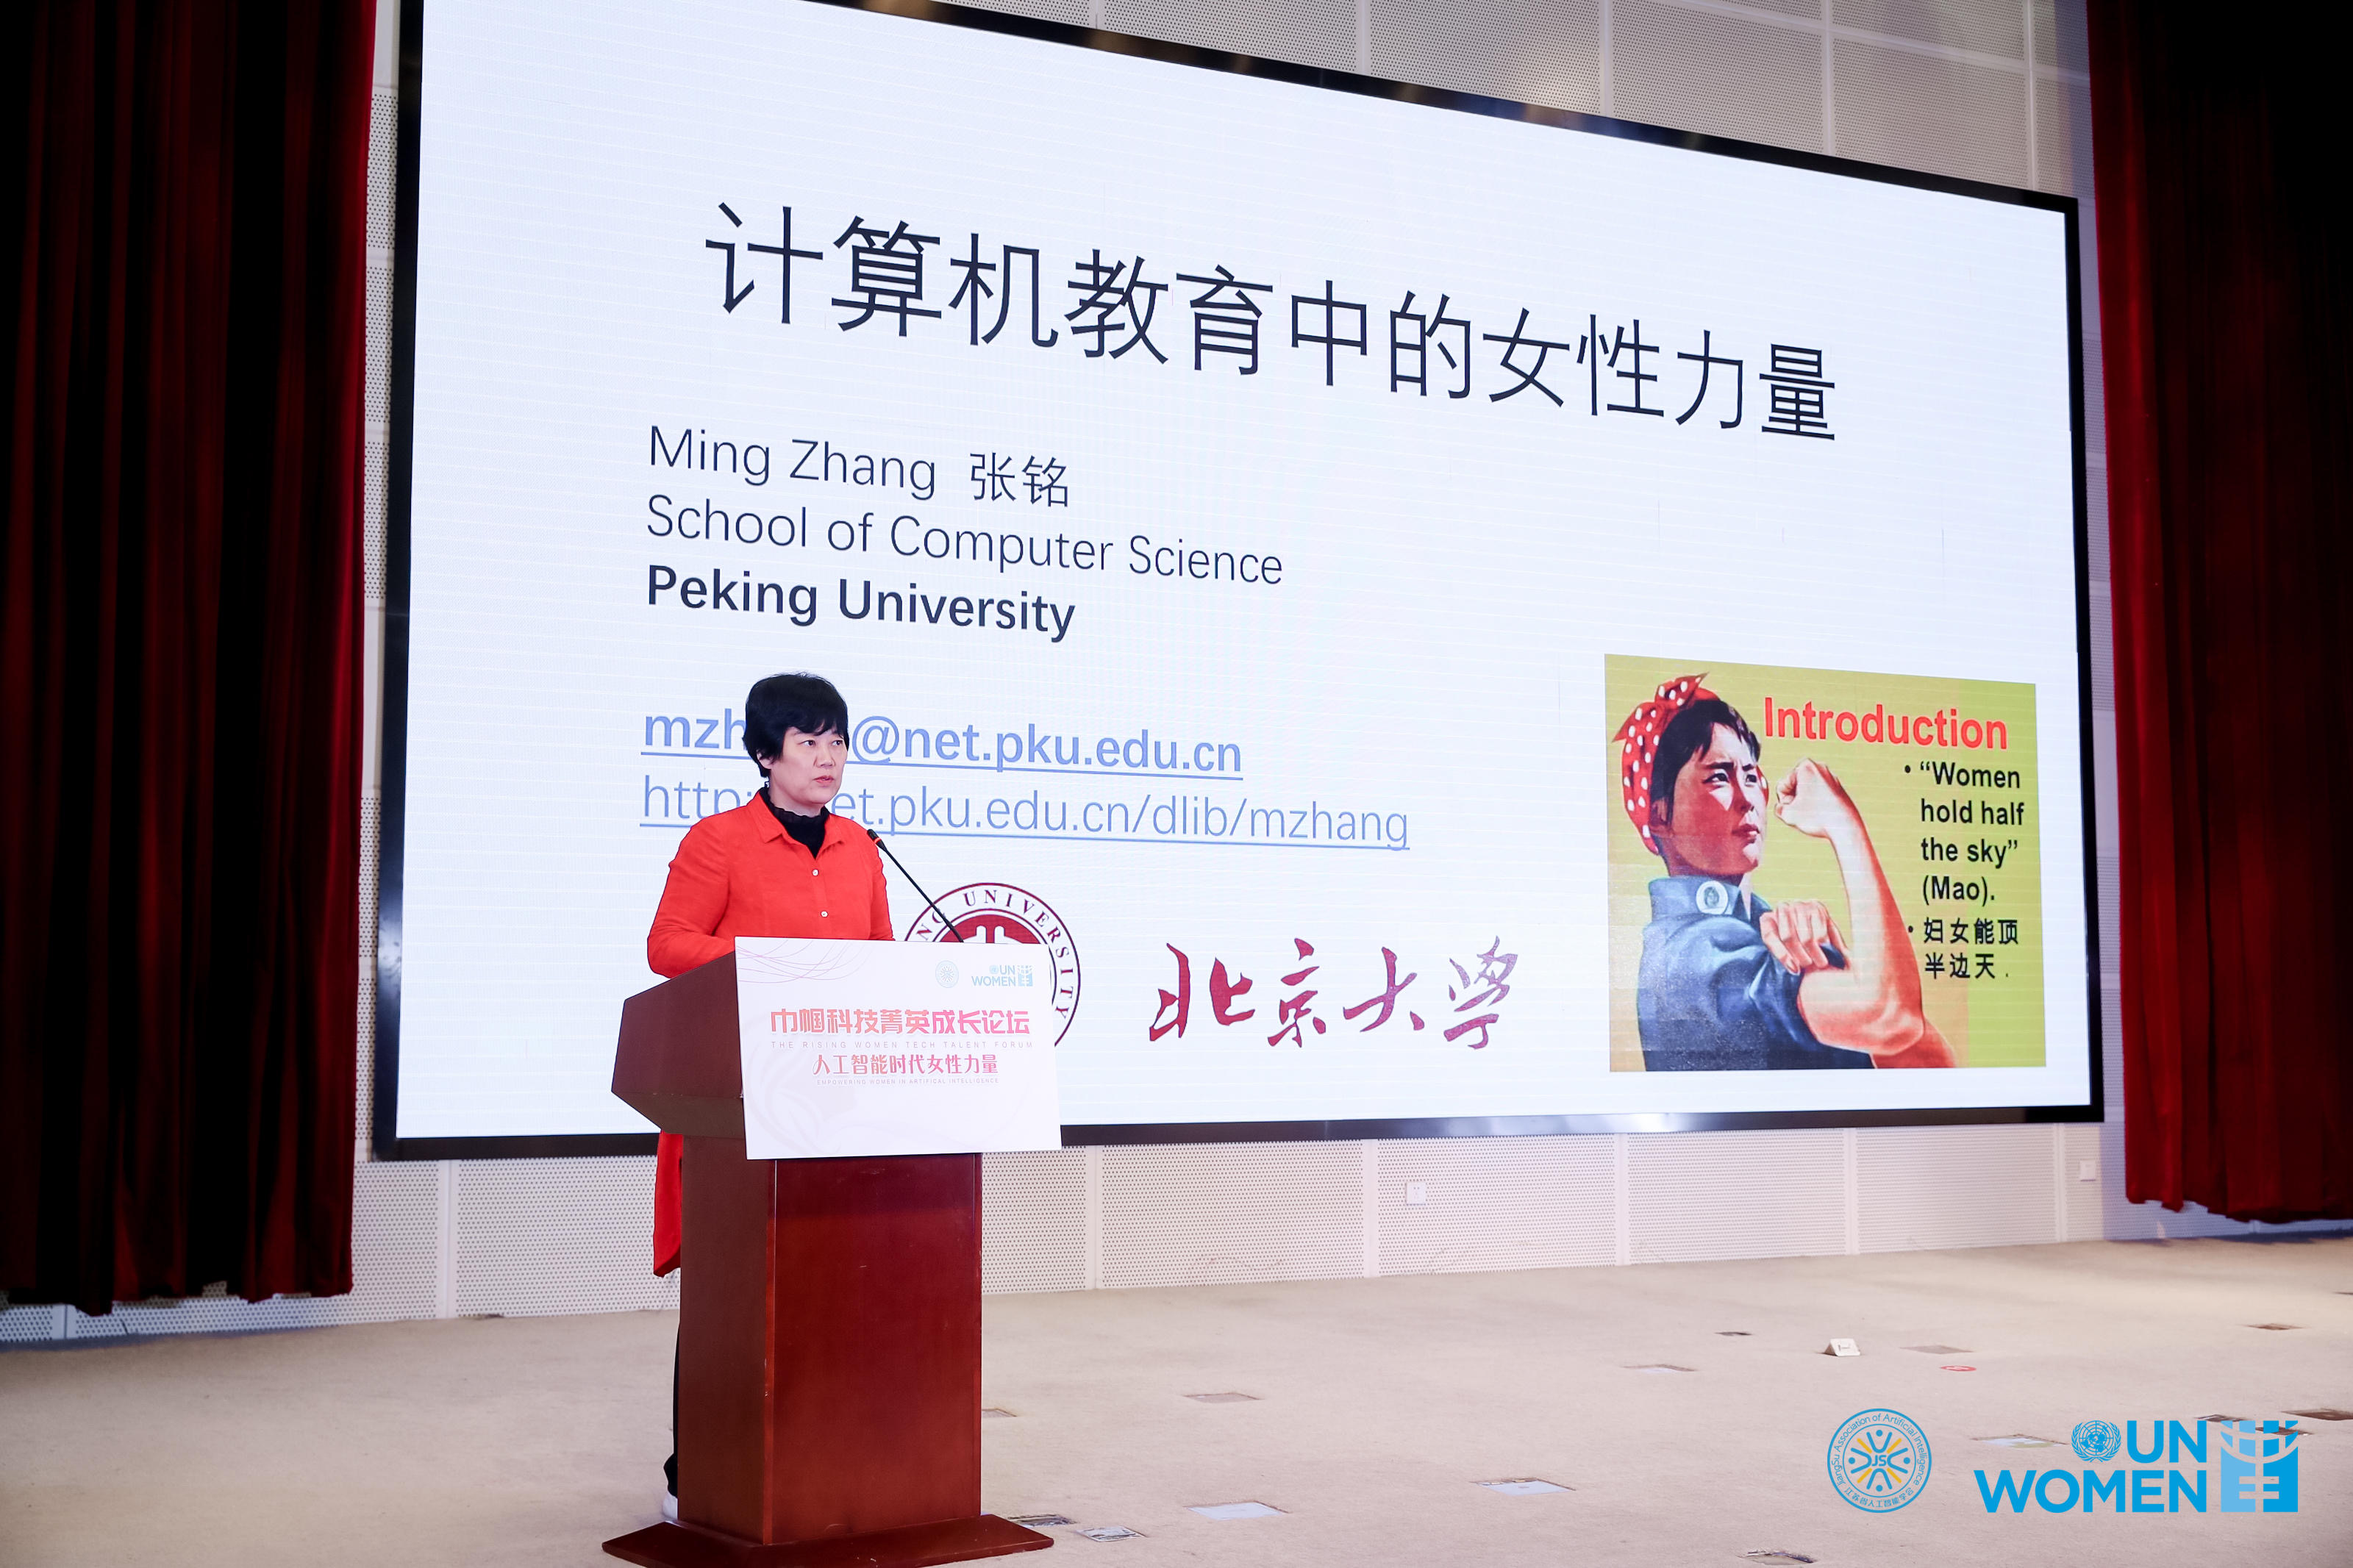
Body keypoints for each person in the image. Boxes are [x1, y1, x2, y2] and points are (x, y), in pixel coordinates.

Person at [641, 672, 895, 1514]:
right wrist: (771, 961)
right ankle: (697, 1472)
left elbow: (880, 961)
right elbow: (668, 945)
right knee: (731, 1295)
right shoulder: (719, 841)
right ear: (763, 754)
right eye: (807, 742)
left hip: (838, 1101)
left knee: (831, 1286)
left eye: (838, 741)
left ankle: (821, 1458)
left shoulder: (862, 847)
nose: (828, 758)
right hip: (740, 1101)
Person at [1615, 675, 1952, 1071]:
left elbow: (1927, 1060)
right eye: (1719, 777)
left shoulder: (1760, 931)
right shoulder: (1694, 956)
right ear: (1660, 815)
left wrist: (1845, 963)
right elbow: (1892, 1019)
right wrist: (1843, 824)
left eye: (1751, 776)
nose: (1747, 799)